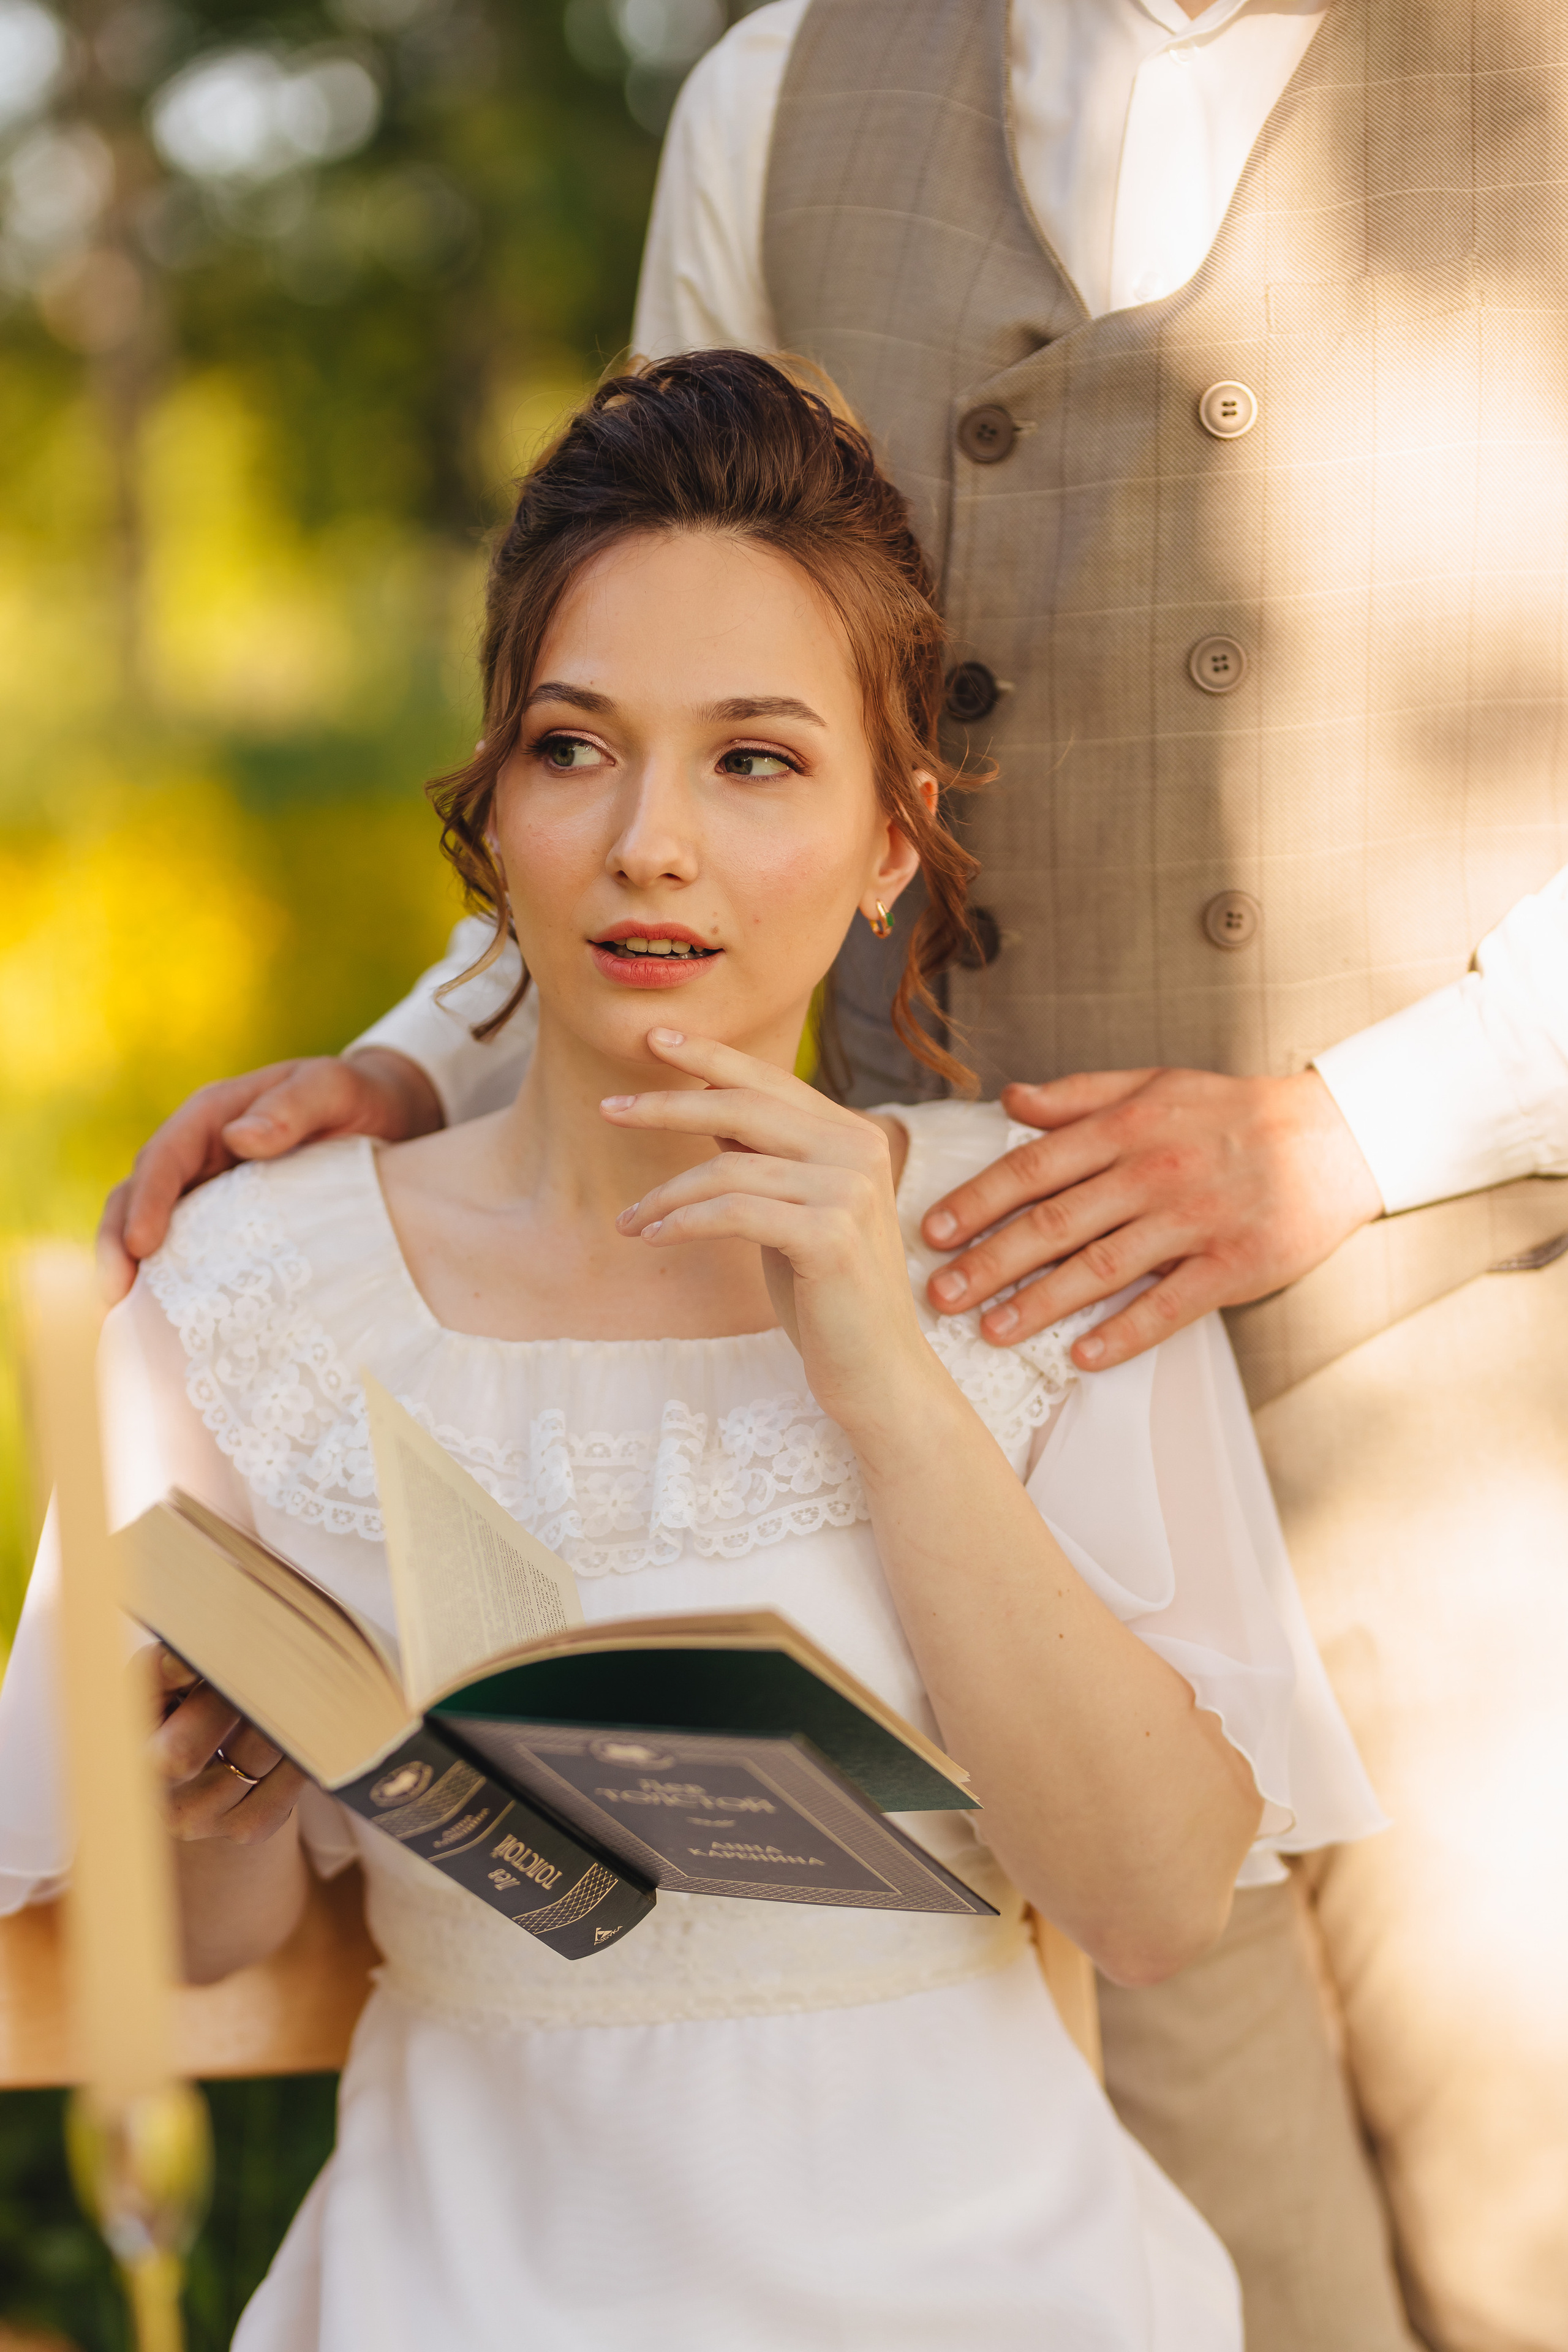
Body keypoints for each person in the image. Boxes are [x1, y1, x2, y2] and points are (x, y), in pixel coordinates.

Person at [89, 4, 1568, 2346]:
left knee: (1535, 2248)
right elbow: (674, 623)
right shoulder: (778, 90)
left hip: (1441, 1369)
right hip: (943, 1338)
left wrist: (1358, 1128)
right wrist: (409, 1069)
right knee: (1261, 2282)